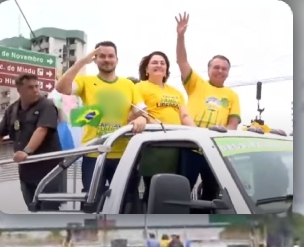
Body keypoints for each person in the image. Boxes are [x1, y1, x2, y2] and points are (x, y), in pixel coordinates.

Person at [55, 41, 147, 194]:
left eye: (111, 56)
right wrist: (82, 62)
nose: (106, 60)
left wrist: (141, 119)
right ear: (95, 59)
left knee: (126, 201)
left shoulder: (128, 85)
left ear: (117, 60)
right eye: (102, 56)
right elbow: (61, 88)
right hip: (93, 153)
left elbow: (143, 112)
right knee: (93, 203)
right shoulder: (86, 81)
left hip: (123, 154)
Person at [174, 11, 241, 199]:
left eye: (224, 68)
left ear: (228, 72)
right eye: (216, 67)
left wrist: (223, 136)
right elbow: (181, 60)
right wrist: (180, 36)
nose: (220, 70)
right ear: (209, 69)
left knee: (212, 195)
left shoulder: (232, 95)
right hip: (190, 147)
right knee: (181, 192)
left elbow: (233, 125)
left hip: (215, 152)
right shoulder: (196, 84)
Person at [0, 73, 63, 212]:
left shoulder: (46, 105)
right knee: (32, 209)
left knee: (49, 211)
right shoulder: (12, 110)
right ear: (19, 90)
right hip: (26, 172)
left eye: (37, 86)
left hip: (49, 170)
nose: (36, 90)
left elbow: (42, 130)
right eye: (30, 87)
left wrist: (26, 152)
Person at [135, 51, 196, 202]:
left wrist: (198, 133)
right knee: (155, 189)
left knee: (175, 189)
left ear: (167, 70)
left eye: (163, 63)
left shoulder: (176, 92)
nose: (159, 65)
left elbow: (184, 116)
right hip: (154, 145)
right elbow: (139, 112)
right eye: (154, 62)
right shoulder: (139, 87)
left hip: (177, 145)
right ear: (146, 69)